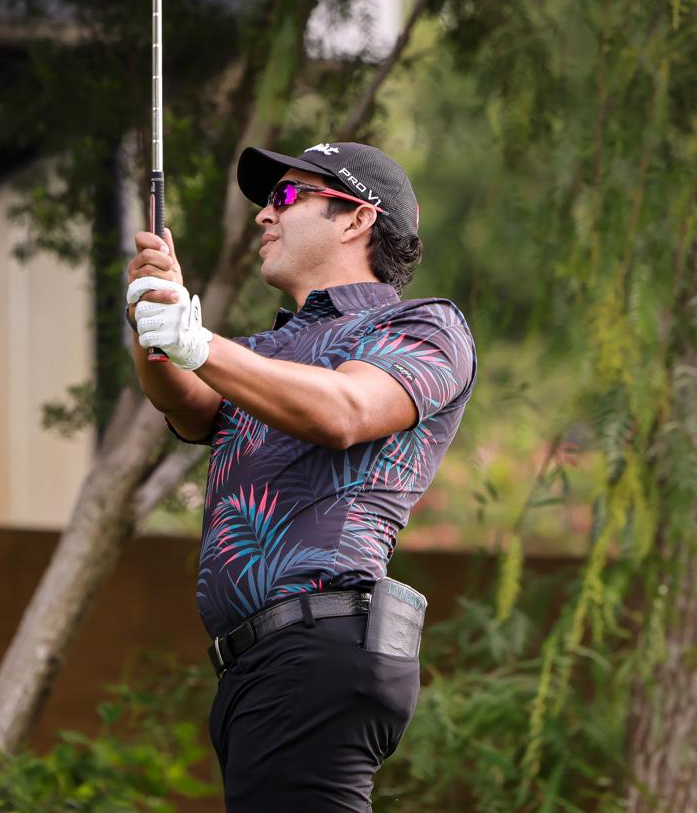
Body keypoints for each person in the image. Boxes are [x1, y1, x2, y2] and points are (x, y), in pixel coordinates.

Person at [125, 141, 477, 811]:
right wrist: (155, 318)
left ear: (356, 218)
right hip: (261, 668)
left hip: (320, 642)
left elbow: (346, 410)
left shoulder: (422, 326)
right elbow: (189, 404)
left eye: (287, 196)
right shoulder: (264, 352)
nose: (263, 214)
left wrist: (197, 342)